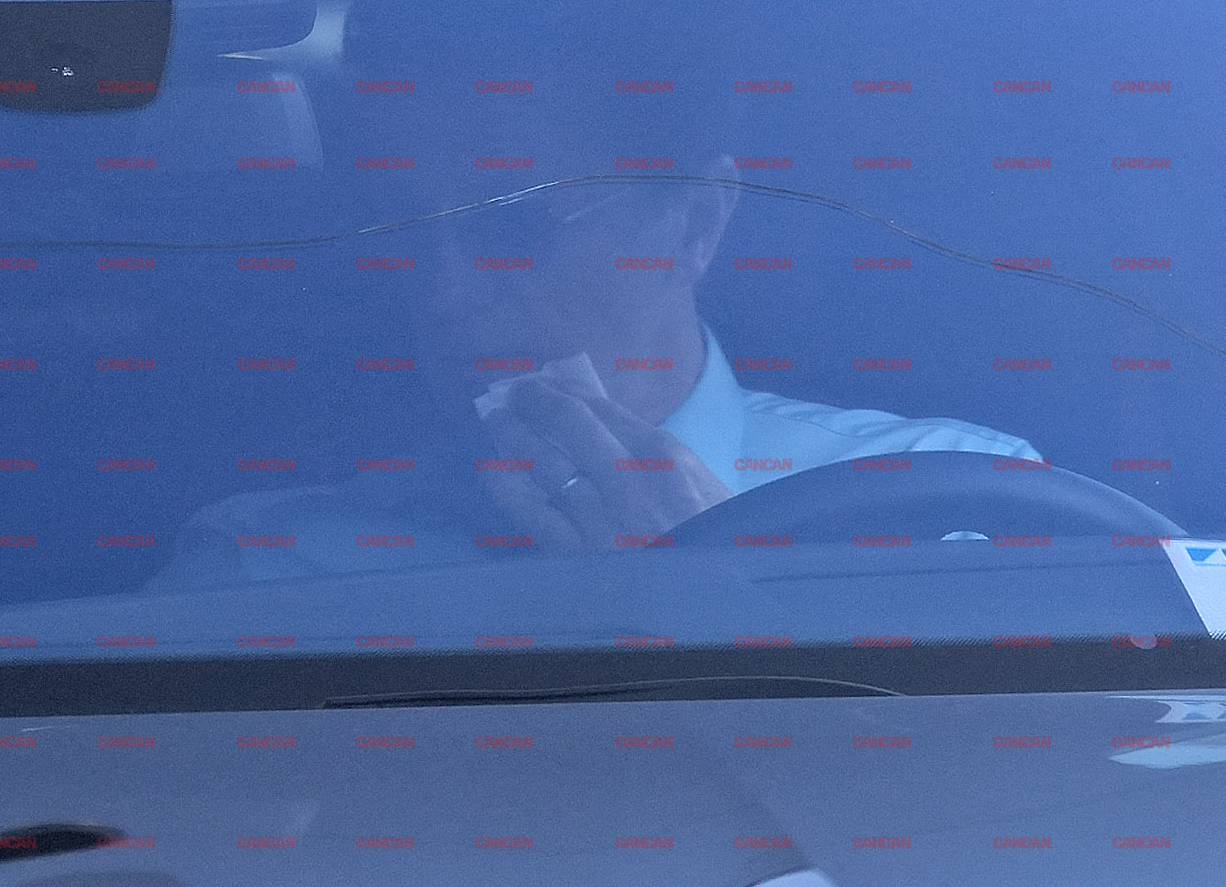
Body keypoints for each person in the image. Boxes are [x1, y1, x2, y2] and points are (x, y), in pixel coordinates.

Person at [146, 143, 1041, 590]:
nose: (443, 294)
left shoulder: (950, 503)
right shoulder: (269, 565)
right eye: (401, 236)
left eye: (508, 224)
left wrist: (714, 599)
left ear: (693, 224)